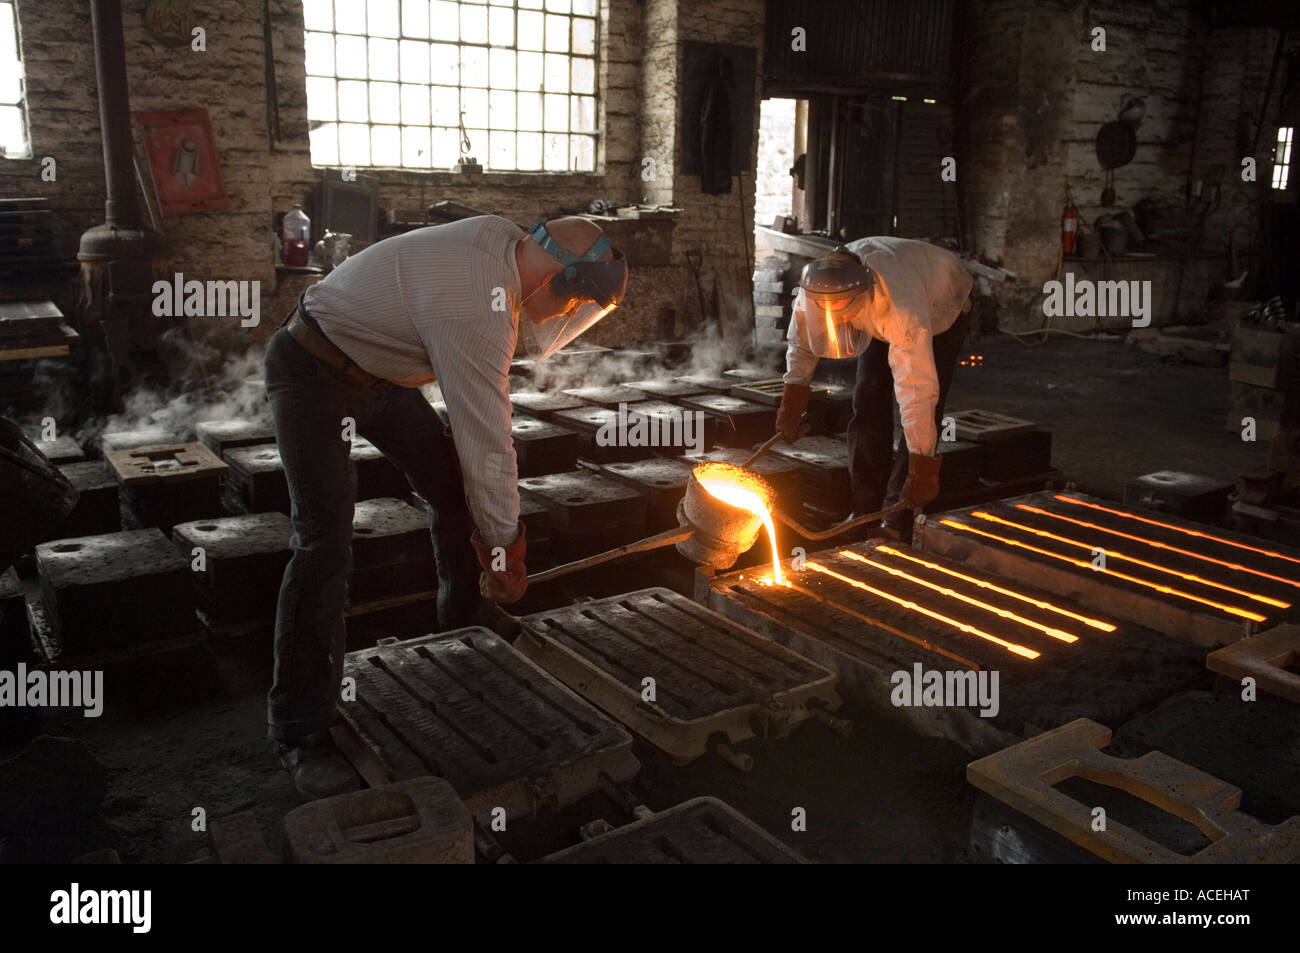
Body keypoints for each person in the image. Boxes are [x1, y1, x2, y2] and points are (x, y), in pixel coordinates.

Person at [263, 214, 627, 798]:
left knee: (454, 493)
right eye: (572, 302)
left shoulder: (506, 249)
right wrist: (505, 554)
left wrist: (493, 539)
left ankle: (463, 616)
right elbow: (486, 440)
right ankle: (301, 728)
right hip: (312, 370)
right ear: (558, 280)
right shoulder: (476, 307)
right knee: (324, 540)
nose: (564, 317)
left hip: (383, 377)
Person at [777, 237, 973, 543]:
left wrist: (924, 467)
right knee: (867, 400)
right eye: (829, 311)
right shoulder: (815, 290)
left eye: (843, 311)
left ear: (863, 294)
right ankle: (865, 509)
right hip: (879, 311)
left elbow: (916, 388)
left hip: (942, 304)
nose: (836, 319)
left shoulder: (904, 307)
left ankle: (897, 517)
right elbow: (801, 343)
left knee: (922, 413)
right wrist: (792, 400)